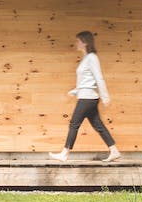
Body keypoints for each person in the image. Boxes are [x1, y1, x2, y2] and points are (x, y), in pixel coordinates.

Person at [50, 30, 121, 162]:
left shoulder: (92, 58)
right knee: (98, 125)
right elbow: (86, 81)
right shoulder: (86, 58)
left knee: (74, 124)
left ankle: (64, 153)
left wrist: (105, 96)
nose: (76, 43)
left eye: (78, 41)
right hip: (86, 96)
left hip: (88, 98)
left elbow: (98, 78)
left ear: (85, 42)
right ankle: (114, 150)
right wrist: (75, 91)